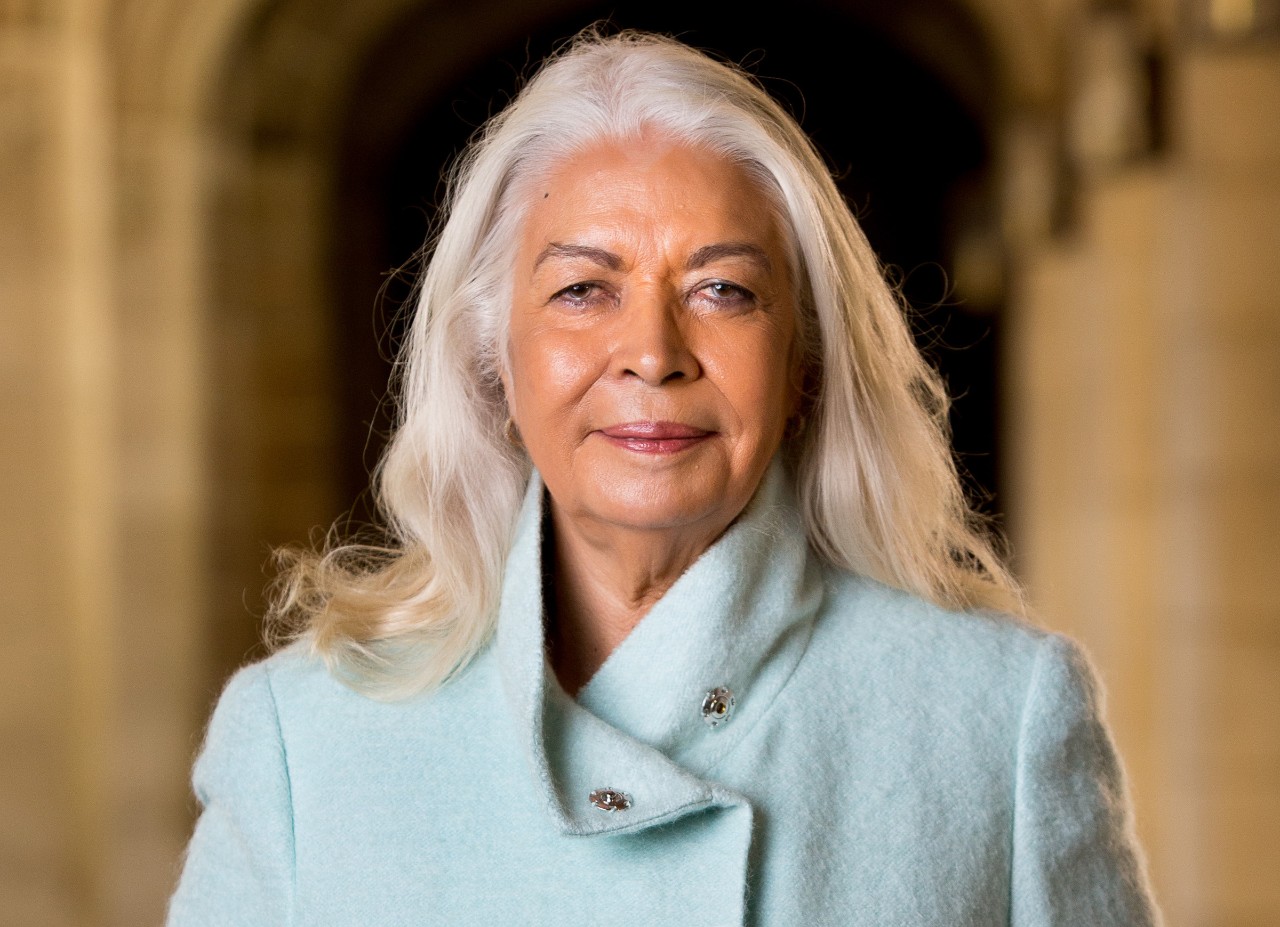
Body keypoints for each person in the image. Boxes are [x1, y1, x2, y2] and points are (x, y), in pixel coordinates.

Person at [167, 30, 1161, 926]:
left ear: (802, 370)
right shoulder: (304, 743)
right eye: (582, 289)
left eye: (722, 290)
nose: (651, 351)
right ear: (493, 365)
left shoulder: (998, 720)